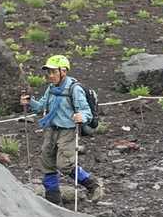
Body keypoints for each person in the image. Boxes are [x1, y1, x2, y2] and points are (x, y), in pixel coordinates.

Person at [20, 54, 103, 206]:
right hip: (51, 129)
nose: (50, 75)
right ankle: (53, 201)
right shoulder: (51, 88)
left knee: (65, 164)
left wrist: (82, 117)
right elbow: (41, 107)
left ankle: (93, 185)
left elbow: (86, 112)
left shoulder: (74, 89)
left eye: (53, 72)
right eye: (48, 72)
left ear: (63, 71)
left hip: (68, 131)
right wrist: (30, 102)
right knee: (47, 162)